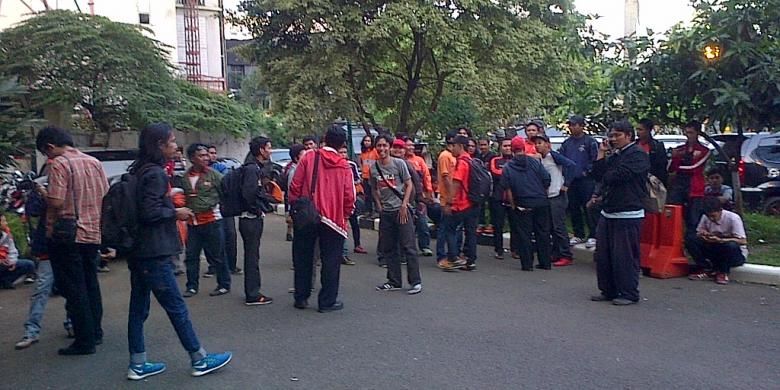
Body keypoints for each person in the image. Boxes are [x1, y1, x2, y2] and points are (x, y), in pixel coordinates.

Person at [126, 123, 231, 380]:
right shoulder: (155, 174)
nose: (176, 147)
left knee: (138, 309)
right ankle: (199, 358)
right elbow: (149, 212)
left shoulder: (138, 169)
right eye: (172, 142)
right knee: (176, 307)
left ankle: (137, 363)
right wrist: (176, 212)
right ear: (160, 145)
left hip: (139, 251)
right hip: (154, 251)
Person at [36, 126, 108, 355]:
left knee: (74, 288)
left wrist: (42, 193)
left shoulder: (58, 164)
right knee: (90, 283)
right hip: (93, 232)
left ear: (49, 146)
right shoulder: (94, 162)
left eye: (45, 152)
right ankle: (96, 332)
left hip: (67, 235)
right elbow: (105, 193)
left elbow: (56, 201)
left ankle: (84, 340)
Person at [289, 125, 355, 312]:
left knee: (303, 258)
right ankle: (326, 301)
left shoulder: (309, 157)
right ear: (343, 143)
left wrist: (296, 209)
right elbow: (349, 196)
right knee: (331, 261)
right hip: (333, 220)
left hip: (307, 216)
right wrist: (346, 215)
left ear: (324, 139)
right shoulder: (344, 165)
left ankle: (301, 298)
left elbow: (295, 186)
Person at [590, 121, 650, 306]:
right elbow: (598, 174)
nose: (613, 139)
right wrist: (601, 154)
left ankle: (629, 292)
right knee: (604, 255)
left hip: (628, 213)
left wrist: (607, 172)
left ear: (629, 136)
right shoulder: (616, 155)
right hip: (609, 212)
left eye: (618, 135)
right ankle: (608, 290)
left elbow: (615, 177)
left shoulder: (637, 155)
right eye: (612, 135)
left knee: (624, 256)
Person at [178, 143, 231, 298]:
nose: (206, 158)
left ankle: (223, 284)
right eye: (201, 156)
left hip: (212, 221)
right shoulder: (185, 177)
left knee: (218, 255)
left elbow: (225, 192)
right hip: (193, 224)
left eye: (207, 155)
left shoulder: (214, 175)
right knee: (191, 256)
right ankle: (192, 286)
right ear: (192, 158)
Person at [371, 135, 422, 294]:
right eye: (379, 146)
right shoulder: (374, 168)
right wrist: (379, 205)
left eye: (385, 145)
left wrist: (405, 204)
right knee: (389, 247)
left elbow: (408, 184)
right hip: (386, 212)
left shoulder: (399, 164)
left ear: (390, 147)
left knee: (409, 246)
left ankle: (415, 282)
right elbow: (373, 188)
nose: (382, 149)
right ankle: (394, 281)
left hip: (402, 211)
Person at [502, 136, 552, 271]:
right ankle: (545, 262)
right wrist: (543, 195)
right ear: (524, 148)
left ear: (512, 150)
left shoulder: (508, 167)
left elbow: (508, 190)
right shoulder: (535, 162)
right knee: (543, 233)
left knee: (525, 235)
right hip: (541, 201)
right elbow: (546, 179)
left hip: (522, 203)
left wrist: (513, 205)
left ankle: (527, 264)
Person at [238, 136, 276, 305]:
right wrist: (258, 209)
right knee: (252, 257)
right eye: (268, 147)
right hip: (250, 219)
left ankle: (252, 290)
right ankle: (253, 294)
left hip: (249, 218)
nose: (270, 150)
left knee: (252, 255)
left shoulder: (252, 167)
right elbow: (249, 194)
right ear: (261, 150)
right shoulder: (252, 169)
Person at [532, 134, 577, 267]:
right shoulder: (541, 159)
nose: (537, 145)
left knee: (559, 227)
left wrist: (566, 184)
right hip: (547, 196)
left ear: (547, 144)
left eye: (540, 142)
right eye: (536, 143)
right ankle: (556, 252)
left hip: (557, 195)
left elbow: (572, 166)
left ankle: (566, 254)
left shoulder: (554, 156)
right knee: (551, 227)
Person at [559, 115, 599, 247]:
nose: (572, 127)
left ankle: (593, 235)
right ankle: (578, 234)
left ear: (582, 126)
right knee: (574, 207)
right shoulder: (566, 143)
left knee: (588, 207)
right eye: (570, 125)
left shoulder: (590, 142)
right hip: (571, 181)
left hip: (586, 181)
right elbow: (562, 160)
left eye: (574, 124)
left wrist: (586, 172)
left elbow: (595, 160)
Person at [686, 197, 747, 285]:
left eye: (714, 216)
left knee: (730, 245)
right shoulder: (705, 217)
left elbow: (743, 241)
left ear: (720, 211)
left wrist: (721, 240)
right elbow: (699, 232)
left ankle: (723, 272)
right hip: (714, 248)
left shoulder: (733, 218)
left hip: (732, 253)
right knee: (691, 239)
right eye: (709, 216)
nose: (711, 219)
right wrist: (704, 234)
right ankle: (705, 268)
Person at [668, 121, 710, 246]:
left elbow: (694, 167)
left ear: (697, 133)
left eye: (691, 133)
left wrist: (679, 161)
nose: (688, 136)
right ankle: (674, 242)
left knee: (693, 218)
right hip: (679, 184)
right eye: (686, 133)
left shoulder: (704, 150)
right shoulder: (680, 149)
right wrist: (675, 158)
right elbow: (671, 168)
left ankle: (692, 243)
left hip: (694, 187)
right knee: (673, 213)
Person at [445, 135, 479, 271]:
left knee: (450, 229)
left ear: (460, 146)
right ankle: (471, 261)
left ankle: (454, 258)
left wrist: (449, 202)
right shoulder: (472, 161)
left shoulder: (462, 162)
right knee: (471, 232)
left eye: (453, 145)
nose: (451, 148)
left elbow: (457, 183)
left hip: (462, 203)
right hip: (474, 202)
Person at [404, 138, 434, 256]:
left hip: (419, 196)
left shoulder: (419, 160)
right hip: (405, 196)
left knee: (422, 220)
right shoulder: (399, 161)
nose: (411, 148)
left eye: (412, 145)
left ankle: (425, 246)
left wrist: (428, 192)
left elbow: (426, 176)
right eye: (408, 145)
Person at [436, 130, 460, 271]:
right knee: (444, 227)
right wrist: (450, 196)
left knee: (451, 227)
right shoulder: (445, 156)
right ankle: (441, 257)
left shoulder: (453, 156)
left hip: (453, 197)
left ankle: (452, 255)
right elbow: (446, 177)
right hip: (447, 196)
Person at [488, 138, 515, 259]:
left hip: (514, 198)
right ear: (500, 147)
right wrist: (511, 173)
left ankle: (515, 249)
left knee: (515, 225)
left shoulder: (516, 160)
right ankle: (498, 250)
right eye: (505, 146)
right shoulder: (495, 160)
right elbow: (495, 173)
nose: (508, 148)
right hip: (498, 198)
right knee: (498, 225)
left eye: (510, 146)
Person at [339, 146, 362, 265]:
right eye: (340, 152)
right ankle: (343, 253)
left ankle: (357, 244)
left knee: (353, 223)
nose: (343, 154)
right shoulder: (335, 165)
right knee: (342, 226)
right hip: (338, 201)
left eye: (344, 152)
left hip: (350, 198)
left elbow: (358, 179)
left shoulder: (351, 165)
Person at [0, 213, 35, 289]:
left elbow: (13, 251)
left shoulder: (6, 235)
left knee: (29, 264)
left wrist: (12, 262)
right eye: (3, 221)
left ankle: (6, 280)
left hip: (6, 262)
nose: (6, 223)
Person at [282, 144, 306, 242]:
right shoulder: (294, 171)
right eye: (303, 154)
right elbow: (291, 191)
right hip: (298, 207)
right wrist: (290, 210)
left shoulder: (300, 169)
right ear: (296, 158)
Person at [636, 118, 668, 186]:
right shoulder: (634, 145)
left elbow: (662, 167)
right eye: (637, 129)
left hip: (652, 182)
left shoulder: (657, 146)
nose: (638, 132)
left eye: (640, 129)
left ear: (648, 130)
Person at [358, 134, 379, 218]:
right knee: (367, 195)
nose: (367, 142)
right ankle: (368, 211)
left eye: (368, 141)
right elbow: (361, 163)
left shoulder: (375, 151)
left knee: (375, 194)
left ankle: (377, 211)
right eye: (365, 141)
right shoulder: (362, 153)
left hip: (374, 177)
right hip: (365, 177)